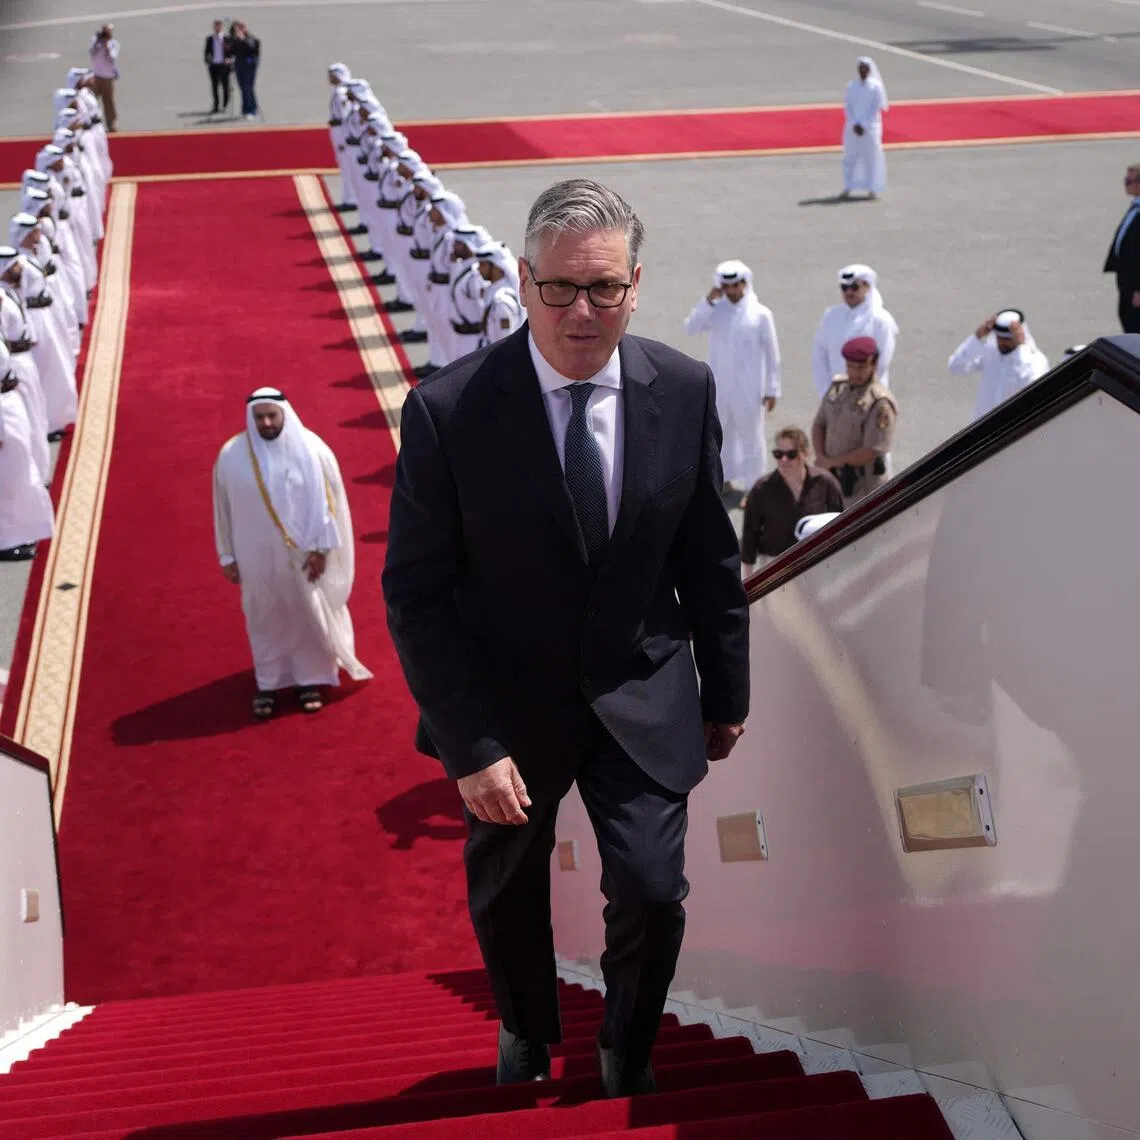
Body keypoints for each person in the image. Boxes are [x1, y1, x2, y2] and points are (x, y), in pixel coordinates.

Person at [383, 178, 750, 1099]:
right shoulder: (448, 412)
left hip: (642, 688)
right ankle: (524, 1028)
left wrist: (728, 694)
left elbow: (710, 554)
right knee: (508, 893)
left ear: (636, 284)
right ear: (522, 280)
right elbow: (416, 595)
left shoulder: (686, 386)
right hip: (507, 713)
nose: (581, 312)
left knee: (653, 891)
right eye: (559, 289)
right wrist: (469, 745)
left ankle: (626, 1045)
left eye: (604, 289)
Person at [212, 389, 371, 719]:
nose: (266, 423)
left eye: (272, 415)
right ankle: (268, 682)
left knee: (304, 615)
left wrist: (323, 549)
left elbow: (332, 505)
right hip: (254, 556)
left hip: (305, 557)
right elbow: (221, 509)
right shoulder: (231, 455)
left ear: (285, 413)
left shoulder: (312, 450)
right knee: (264, 616)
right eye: (259, 417)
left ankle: (309, 680)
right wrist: (227, 556)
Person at [683, 259, 780, 494]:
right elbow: (690, 327)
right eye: (725, 286)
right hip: (720, 386)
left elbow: (772, 353)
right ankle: (723, 479)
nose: (730, 290)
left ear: (745, 284)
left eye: (735, 285)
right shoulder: (715, 312)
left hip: (750, 388)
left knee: (752, 437)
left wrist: (772, 389)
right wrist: (708, 300)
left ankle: (754, 487)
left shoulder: (760, 314)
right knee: (721, 434)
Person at [740, 426, 843, 573]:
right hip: (776, 567)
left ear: (806, 454)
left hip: (818, 564)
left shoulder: (825, 483)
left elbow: (840, 522)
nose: (783, 460)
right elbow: (750, 535)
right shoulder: (761, 489)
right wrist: (748, 581)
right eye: (778, 454)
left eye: (791, 454)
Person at [812, 335, 897, 505]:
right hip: (831, 478)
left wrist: (830, 462)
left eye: (861, 367)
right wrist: (821, 457)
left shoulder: (879, 403)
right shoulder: (838, 389)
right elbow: (819, 424)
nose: (855, 372)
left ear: (873, 364)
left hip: (861, 486)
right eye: (850, 366)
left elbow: (871, 450)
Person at [0, 341, 53, 562]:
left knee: (18, 471)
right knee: (7, 480)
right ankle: (5, 540)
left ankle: (18, 531)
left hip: (7, 402)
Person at [811, 264, 898, 399]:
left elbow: (882, 361)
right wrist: (826, 391)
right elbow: (820, 354)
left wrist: (861, 392)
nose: (849, 292)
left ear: (867, 287)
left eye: (854, 287)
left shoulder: (880, 319)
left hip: (870, 396)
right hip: (835, 395)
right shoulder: (831, 316)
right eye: (844, 288)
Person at [947, 309, 1050, 421]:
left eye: (1007, 339)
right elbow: (955, 366)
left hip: (1014, 429)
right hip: (982, 426)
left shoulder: (1036, 360)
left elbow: (1031, 385)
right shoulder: (991, 353)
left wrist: (1021, 348)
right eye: (999, 337)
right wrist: (977, 337)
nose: (1002, 342)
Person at [840, 57, 888, 200]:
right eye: (861, 68)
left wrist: (865, 125)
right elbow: (847, 105)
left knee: (871, 158)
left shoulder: (876, 87)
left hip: (871, 128)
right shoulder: (851, 85)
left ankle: (872, 188)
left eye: (865, 68)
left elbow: (875, 108)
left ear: (869, 70)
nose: (863, 71)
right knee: (850, 157)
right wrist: (854, 123)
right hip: (852, 127)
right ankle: (848, 186)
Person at [1104, 163, 1140, 334]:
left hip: (1136, 286)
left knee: (1135, 327)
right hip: (1127, 280)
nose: (1125, 184)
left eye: (1128, 181)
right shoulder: (1135, 206)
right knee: (1127, 321)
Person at [476, 241, 524, 347]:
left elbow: (505, 342)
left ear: (496, 267)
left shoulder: (501, 301)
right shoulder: (492, 290)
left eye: (482, 264)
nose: (479, 269)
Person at [88, 24, 119, 132]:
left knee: (108, 102)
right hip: (96, 76)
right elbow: (91, 53)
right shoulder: (95, 42)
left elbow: (112, 57)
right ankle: (90, 123)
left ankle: (111, 125)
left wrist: (106, 45)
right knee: (91, 101)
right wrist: (98, 42)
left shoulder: (113, 44)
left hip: (107, 78)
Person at [229, 22, 260, 121]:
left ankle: (250, 110)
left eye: (242, 28)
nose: (240, 30)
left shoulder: (252, 39)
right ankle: (248, 107)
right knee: (243, 88)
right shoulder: (236, 40)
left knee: (248, 88)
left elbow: (252, 50)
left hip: (249, 67)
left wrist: (243, 40)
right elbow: (232, 51)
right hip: (239, 66)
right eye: (238, 29)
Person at [204, 20, 233, 115]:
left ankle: (225, 105)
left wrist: (229, 60)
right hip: (214, 66)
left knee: (225, 87)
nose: (217, 28)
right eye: (215, 26)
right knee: (214, 87)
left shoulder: (227, 38)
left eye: (219, 26)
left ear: (221, 27)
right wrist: (208, 61)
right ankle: (216, 106)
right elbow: (206, 52)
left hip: (224, 66)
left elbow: (231, 52)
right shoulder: (210, 39)